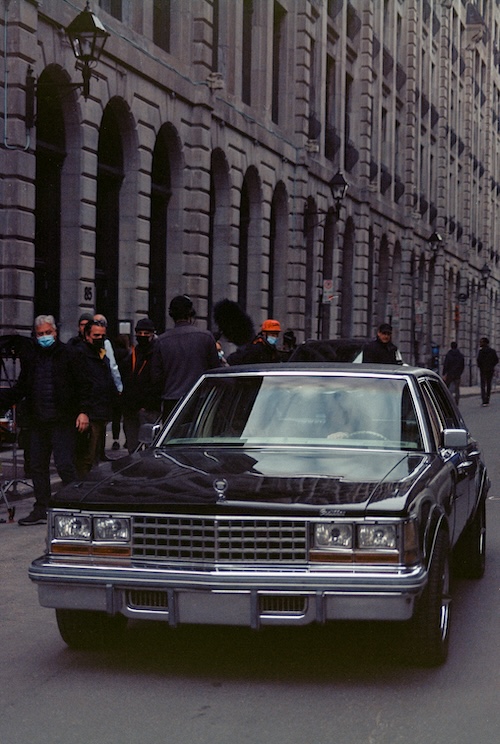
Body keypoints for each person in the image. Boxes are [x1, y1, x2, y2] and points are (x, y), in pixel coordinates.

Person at [0, 315, 90, 525]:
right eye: (40, 334)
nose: (44, 337)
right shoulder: (32, 357)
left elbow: (84, 384)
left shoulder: (69, 354)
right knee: (38, 466)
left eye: (47, 332)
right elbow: (23, 386)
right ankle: (42, 507)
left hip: (62, 419)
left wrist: (84, 411)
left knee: (64, 464)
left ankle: (74, 507)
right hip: (38, 420)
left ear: (55, 332)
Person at [152, 295, 221, 420]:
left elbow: (156, 377)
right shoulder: (206, 337)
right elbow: (215, 370)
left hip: (172, 400)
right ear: (191, 313)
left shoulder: (161, 341)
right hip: (199, 398)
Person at [74, 320, 118, 476]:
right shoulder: (80, 354)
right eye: (96, 335)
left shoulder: (101, 355)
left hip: (100, 411)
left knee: (93, 456)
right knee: (86, 457)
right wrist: (83, 410)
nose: (99, 338)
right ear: (87, 336)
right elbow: (81, 385)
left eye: (102, 336)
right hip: (90, 413)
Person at [120, 318, 162, 453]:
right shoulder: (133, 353)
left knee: (150, 445)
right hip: (131, 406)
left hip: (149, 407)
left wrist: (150, 402)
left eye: (146, 333)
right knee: (133, 446)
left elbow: (158, 380)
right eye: (139, 333)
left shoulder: (157, 353)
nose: (142, 336)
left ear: (152, 334)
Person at [477, 336, 499, 406]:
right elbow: (496, 360)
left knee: (483, 385)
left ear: (485, 343)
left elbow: (478, 361)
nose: (480, 343)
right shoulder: (492, 351)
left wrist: (481, 367)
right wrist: (491, 365)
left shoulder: (481, 352)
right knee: (489, 385)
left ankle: (484, 400)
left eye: (481, 342)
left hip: (483, 370)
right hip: (490, 370)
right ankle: (487, 399)